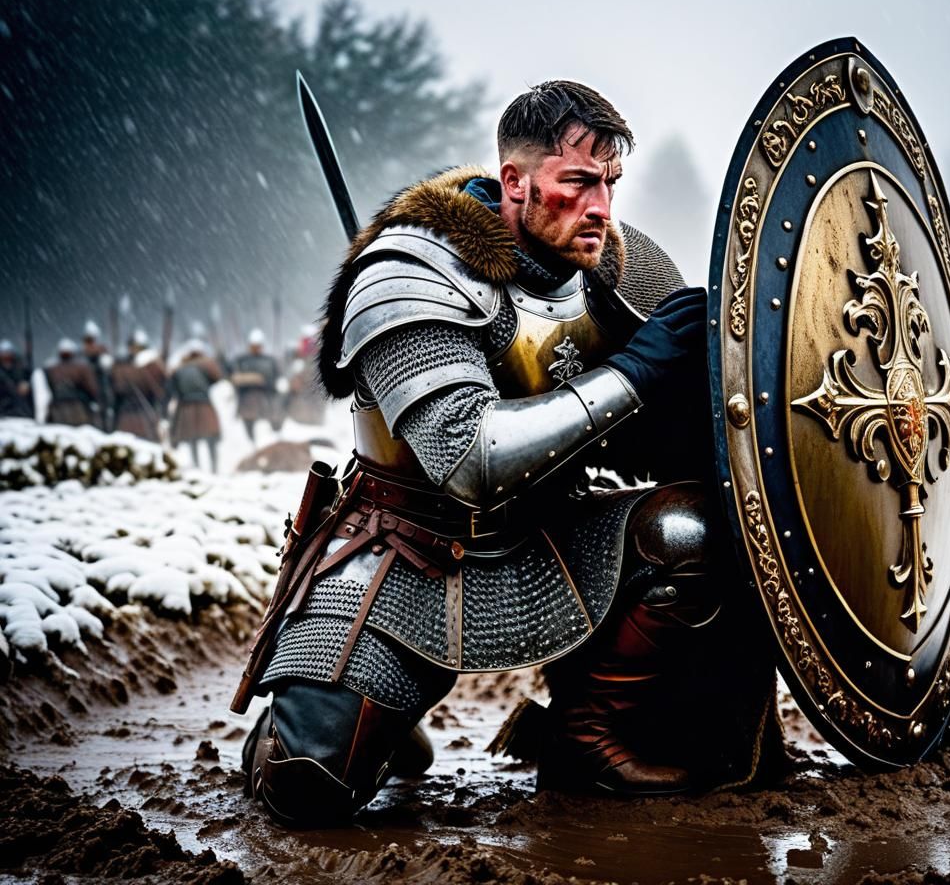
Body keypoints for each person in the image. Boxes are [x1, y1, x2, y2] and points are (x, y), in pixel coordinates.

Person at [235, 80, 782, 826]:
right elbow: (468, 458)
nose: (600, 208)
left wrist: (695, 386)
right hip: (409, 551)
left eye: (610, 184)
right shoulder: (408, 270)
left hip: (552, 529)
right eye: (579, 183)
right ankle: (358, 721)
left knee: (696, 531)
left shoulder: (622, 269)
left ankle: (586, 734)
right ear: (515, 182)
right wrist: (634, 373)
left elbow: (701, 442)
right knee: (309, 788)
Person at [168, 340, 223, 473]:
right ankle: (212, 470)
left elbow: (173, 388)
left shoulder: (180, 368)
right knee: (209, 439)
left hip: (188, 408)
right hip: (203, 405)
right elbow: (217, 377)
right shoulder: (205, 365)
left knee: (194, 440)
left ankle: (201, 469)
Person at [109, 330, 167, 441]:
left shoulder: (150, 364)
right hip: (132, 412)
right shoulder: (122, 365)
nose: (135, 350)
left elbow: (159, 389)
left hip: (144, 410)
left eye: (138, 347)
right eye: (133, 346)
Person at [231, 329, 281, 443]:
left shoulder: (269, 360)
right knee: (250, 431)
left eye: (258, 345)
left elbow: (275, 378)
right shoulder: (242, 360)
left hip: (266, 398)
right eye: (254, 345)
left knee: (270, 430)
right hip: (247, 399)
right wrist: (252, 379)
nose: (256, 348)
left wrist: (266, 384)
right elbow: (236, 379)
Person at [44, 338, 100, 427]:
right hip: (77, 408)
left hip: (58, 408)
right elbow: (92, 388)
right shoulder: (81, 368)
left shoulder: (52, 369)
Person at [81, 320, 114, 431]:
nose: (90, 344)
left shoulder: (104, 358)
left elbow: (109, 382)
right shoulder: (81, 358)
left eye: (92, 340)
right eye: (87, 340)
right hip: (86, 399)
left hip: (101, 397)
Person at [0, 339, 34, 419]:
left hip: (19, 405)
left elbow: (27, 377)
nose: (6, 356)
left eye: (8, 353)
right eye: (4, 353)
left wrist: (26, 384)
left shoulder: (20, 367)